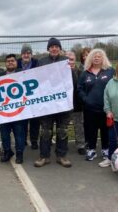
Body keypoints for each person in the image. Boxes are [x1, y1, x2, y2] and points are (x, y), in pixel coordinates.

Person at [34, 38, 72, 168]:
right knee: (45, 131)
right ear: (48, 49)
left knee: (62, 130)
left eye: (56, 46)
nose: (54, 48)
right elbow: (36, 81)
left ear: (60, 48)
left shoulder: (66, 62)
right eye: (52, 47)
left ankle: (61, 156)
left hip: (63, 103)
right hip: (47, 104)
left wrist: (72, 70)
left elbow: (74, 82)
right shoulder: (41, 62)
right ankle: (44, 156)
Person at [77, 49, 114, 162]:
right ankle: (91, 150)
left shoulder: (110, 71)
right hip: (90, 109)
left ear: (103, 58)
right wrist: (86, 99)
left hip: (106, 108)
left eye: (99, 56)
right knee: (90, 130)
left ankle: (106, 150)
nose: (96, 58)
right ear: (90, 58)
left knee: (106, 130)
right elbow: (79, 89)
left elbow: (116, 85)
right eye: (94, 56)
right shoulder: (85, 73)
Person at [0, 54, 26, 164]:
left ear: (16, 62)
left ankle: (19, 154)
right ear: (5, 63)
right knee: (4, 135)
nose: (10, 62)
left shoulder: (24, 74)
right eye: (8, 61)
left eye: (12, 61)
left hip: (19, 112)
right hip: (4, 112)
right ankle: (7, 152)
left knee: (19, 134)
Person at [17, 44, 40, 150]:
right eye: (24, 53)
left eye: (28, 53)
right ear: (21, 54)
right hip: (20, 96)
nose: (26, 55)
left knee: (35, 120)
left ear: (31, 54)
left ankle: (34, 140)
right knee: (23, 120)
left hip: (34, 95)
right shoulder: (16, 63)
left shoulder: (37, 63)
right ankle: (24, 139)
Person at [66, 51, 86, 155]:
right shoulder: (60, 73)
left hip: (77, 104)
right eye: (67, 59)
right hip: (64, 105)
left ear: (75, 59)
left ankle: (81, 145)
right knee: (63, 126)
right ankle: (63, 144)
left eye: (72, 59)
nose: (70, 61)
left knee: (79, 126)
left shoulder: (80, 72)